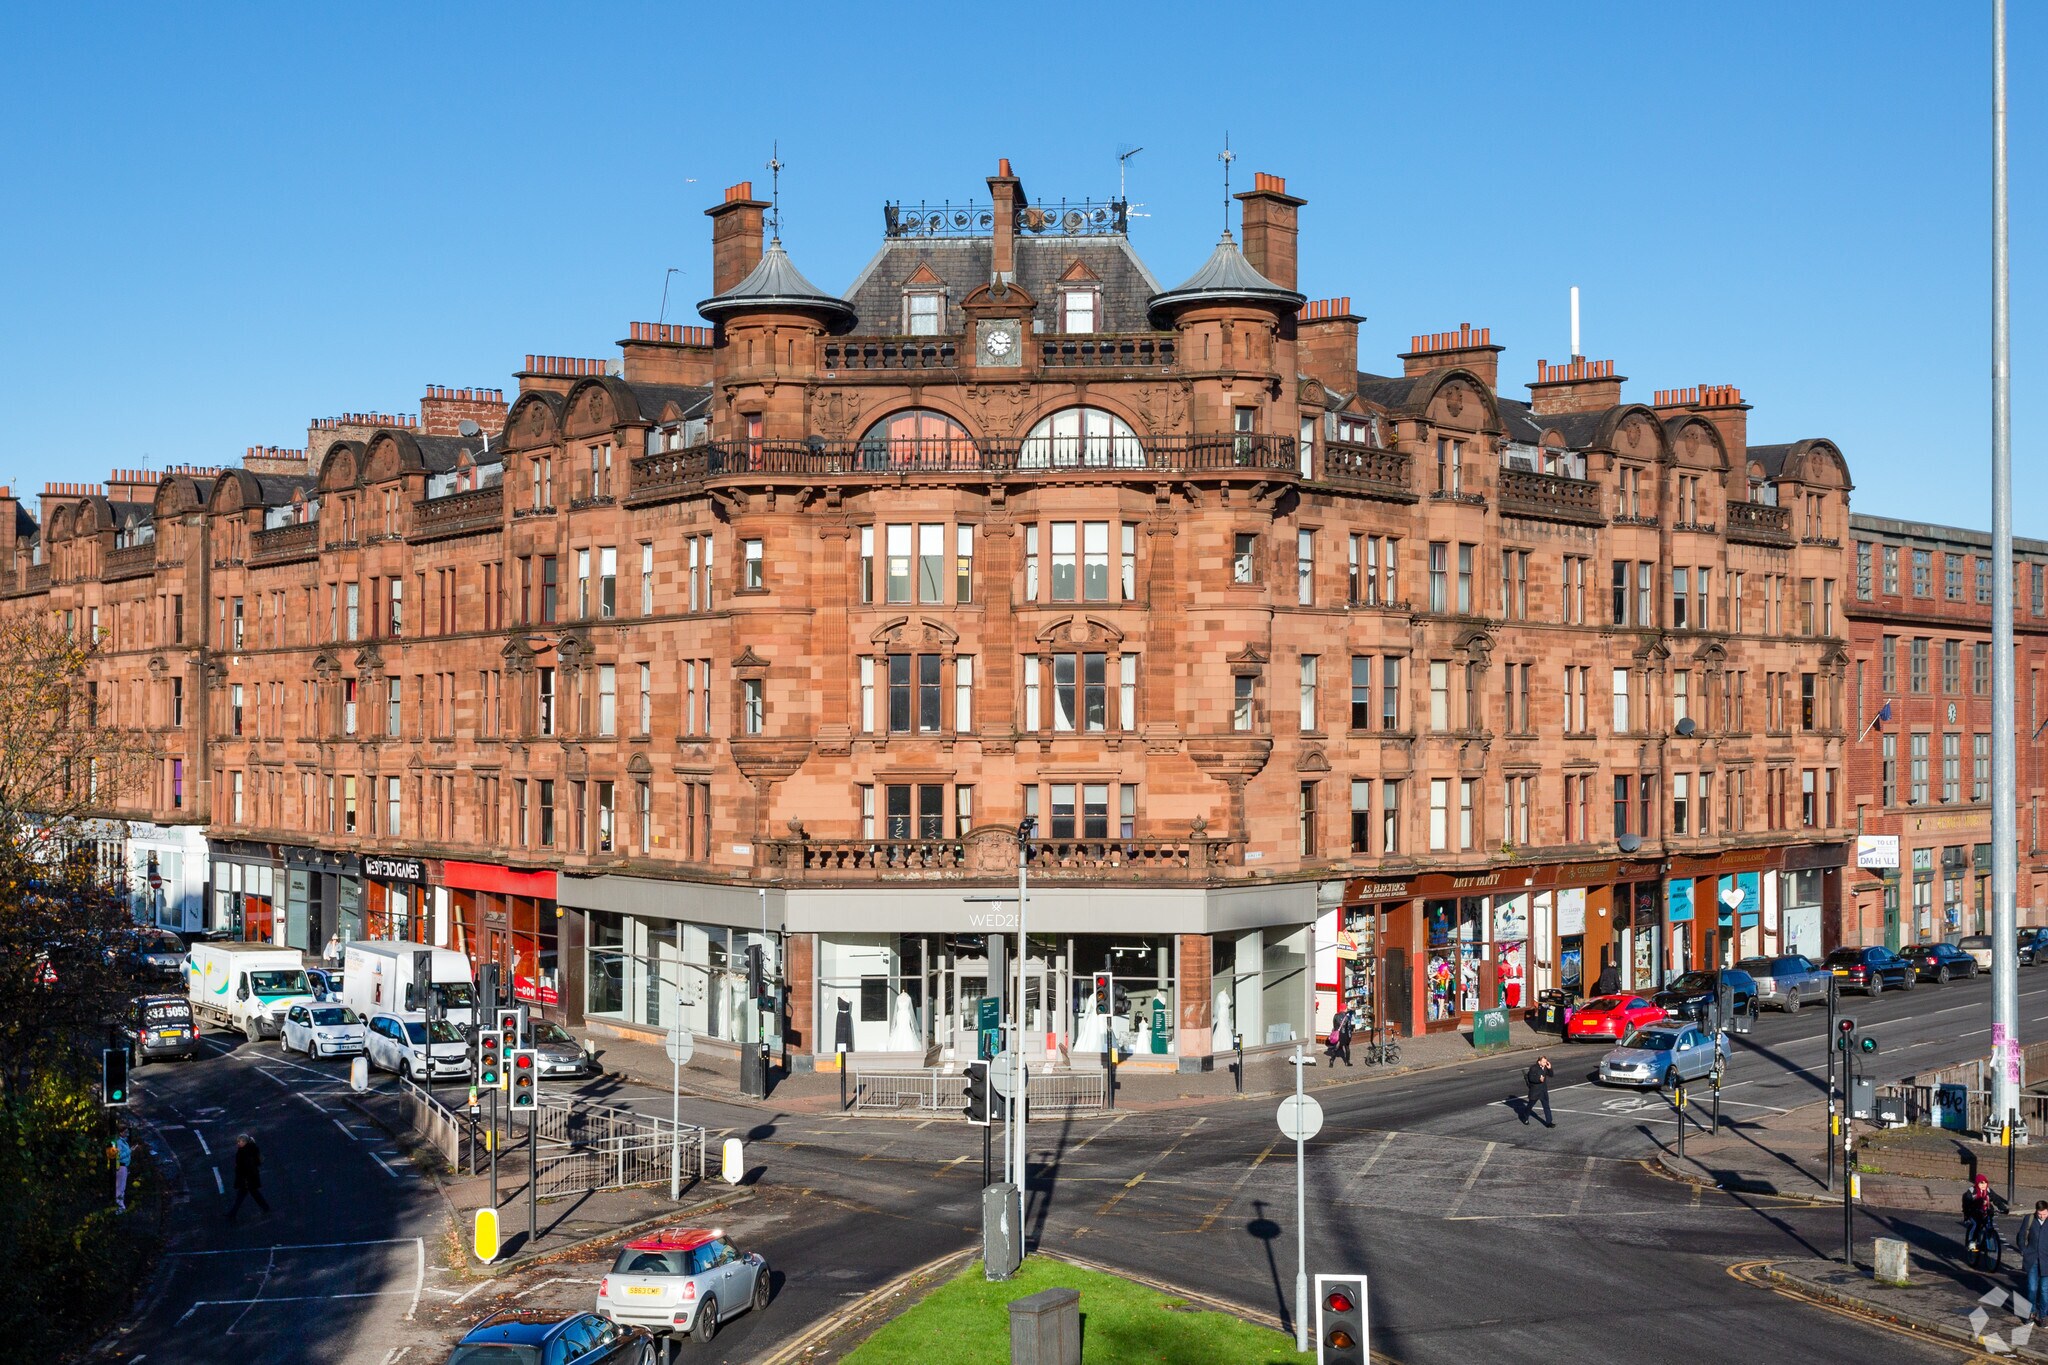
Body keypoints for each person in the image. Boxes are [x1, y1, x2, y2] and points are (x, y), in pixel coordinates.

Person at [228, 1134, 270, 1220]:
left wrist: (245, 1178)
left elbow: (247, 1166)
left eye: (240, 1141)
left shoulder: (246, 1152)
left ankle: (232, 1213)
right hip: (249, 1178)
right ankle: (265, 1207)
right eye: (238, 1141)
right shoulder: (247, 1150)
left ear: (245, 1142)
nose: (238, 1143)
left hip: (247, 1179)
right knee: (253, 1194)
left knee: (242, 1195)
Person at [2022, 1200, 2048, 1321]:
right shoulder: (2029, 1219)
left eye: (2044, 1214)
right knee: (2032, 1288)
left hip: (2046, 1262)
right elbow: (2021, 1236)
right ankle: (2031, 1312)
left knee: (2044, 1290)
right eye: (2039, 1214)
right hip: (2032, 1259)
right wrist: (2024, 1250)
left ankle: (2043, 1315)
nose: (2042, 1216)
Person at [1965, 1172, 1996, 1251]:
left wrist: (2003, 1208)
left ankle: (1987, 1242)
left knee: (1989, 1224)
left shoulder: (1988, 1191)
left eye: (1985, 1183)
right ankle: (1971, 1241)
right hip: (1973, 1212)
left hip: (1985, 1212)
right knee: (1976, 1224)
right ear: (1977, 1184)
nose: (1983, 1185)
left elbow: (1996, 1199)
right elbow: (1968, 1203)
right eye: (1981, 1183)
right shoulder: (1972, 1191)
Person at [106, 1123, 132, 1213]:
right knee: (120, 1187)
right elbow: (118, 1156)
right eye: (126, 1132)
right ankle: (119, 1208)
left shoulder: (121, 1141)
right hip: (121, 1167)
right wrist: (129, 1151)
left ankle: (121, 1207)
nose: (127, 1133)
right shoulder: (119, 1142)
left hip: (123, 1167)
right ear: (121, 1133)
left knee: (121, 1187)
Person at [1523, 1055, 1555, 1128]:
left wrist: (1550, 1068)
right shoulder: (1533, 1068)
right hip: (1535, 1091)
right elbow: (1531, 1079)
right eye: (1544, 1062)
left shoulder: (1545, 1067)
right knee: (1530, 1106)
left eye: (1546, 1061)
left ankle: (1549, 1122)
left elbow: (1551, 1075)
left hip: (1543, 1091)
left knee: (1546, 1106)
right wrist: (1539, 1080)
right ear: (1539, 1062)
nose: (1545, 1063)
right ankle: (1525, 1116)